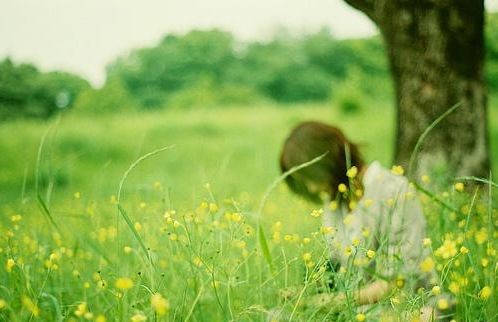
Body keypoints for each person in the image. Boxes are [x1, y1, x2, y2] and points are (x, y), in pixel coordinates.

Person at [279, 121, 436, 320]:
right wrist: (303, 293)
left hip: (407, 306)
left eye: (310, 177)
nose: (311, 188)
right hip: (358, 308)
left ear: (328, 163)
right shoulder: (335, 202)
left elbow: (397, 284)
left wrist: (325, 303)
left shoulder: (393, 190)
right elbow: (338, 270)